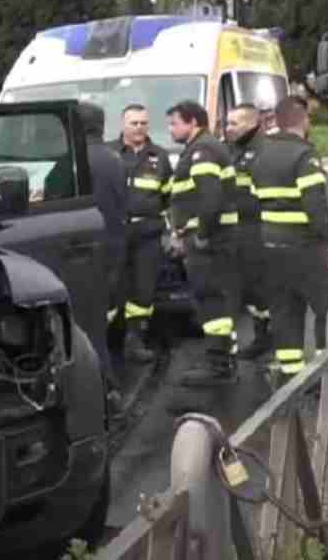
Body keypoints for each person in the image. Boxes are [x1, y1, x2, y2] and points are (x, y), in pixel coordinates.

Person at [252, 95, 328, 381]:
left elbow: (253, 200)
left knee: (285, 311)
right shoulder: (304, 155)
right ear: (303, 120)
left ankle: (292, 376)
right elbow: (315, 206)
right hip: (305, 246)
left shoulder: (261, 155)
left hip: (270, 245)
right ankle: (327, 373)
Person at [166, 99, 239, 387]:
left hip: (210, 241)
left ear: (193, 122)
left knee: (211, 301)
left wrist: (201, 235)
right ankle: (222, 357)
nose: (171, 129)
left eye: (175, 123)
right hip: (211, 239)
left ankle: (218, 365)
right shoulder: (202, 148)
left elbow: (211, 200)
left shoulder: (203, 151)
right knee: (215, 299)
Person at [107, 104, 172, 364]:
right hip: (115, 232)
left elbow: (169, 197)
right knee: (112, 286)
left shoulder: (160, 156)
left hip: (148, 234)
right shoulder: (109, 153)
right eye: (134, 123)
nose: (139, 128)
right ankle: (105, 342)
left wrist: (169, 231)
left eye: (143, 123)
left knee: (143, 290)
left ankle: (135, 341)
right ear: (123, 124)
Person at [77, 102, 128, 408]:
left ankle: (104, 391)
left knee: (87, 325)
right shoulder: (115, 159)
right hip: (113, 248)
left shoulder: (72, 161)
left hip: (82, 251)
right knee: (104, 315)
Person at [224, 105, 271, 359]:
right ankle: (262, 336)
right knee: (250, 286)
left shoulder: (263, 150)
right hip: (239, 228)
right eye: (228, 123)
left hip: (259, 228)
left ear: (252, 124)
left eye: (234, 123)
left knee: (262, 285)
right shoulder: (233, 150)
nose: (228, 128)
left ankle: (273, 337)